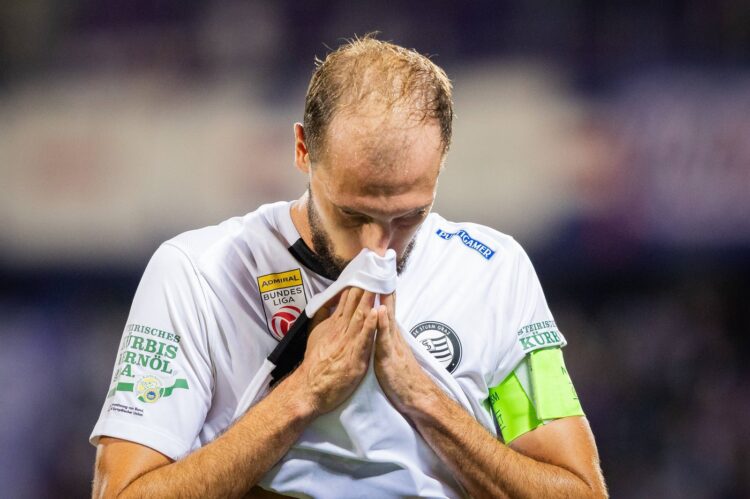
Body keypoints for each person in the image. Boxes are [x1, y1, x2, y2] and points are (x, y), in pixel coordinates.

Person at [91, 36, 607, 498]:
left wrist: (424, 396)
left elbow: (579, 492)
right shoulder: (195, 274)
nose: (376, 248)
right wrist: (305, 391)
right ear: (302, 150)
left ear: (442, 161)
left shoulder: (493, 272)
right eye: (352, 213)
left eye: (409, 216)